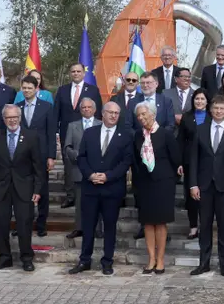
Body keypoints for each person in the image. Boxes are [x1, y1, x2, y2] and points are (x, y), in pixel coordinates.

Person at [0, 104, 45, 272]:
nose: (12, 120)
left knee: (24, 223)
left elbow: (38, 166)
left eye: (15, 117)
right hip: (1, 186)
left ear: (20, 118)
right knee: (1, 223)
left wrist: (37, 190)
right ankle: (4, 257)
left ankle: (27, 258)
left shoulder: (31, 136)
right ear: (4, 119)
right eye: (8, 117)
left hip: (24, 187)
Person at [72, 102, 132, 275]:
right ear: (103, 114)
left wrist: (108, 176)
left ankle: (107, 261)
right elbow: (82, 157)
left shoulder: (125, 135)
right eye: (110, 112)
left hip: (112, 189)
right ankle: (85, 260)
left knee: (110, 227)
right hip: (90, 188)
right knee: (88, 226)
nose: (113, 116)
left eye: (116, 113)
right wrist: (90, 175)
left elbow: (126, 162)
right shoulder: (90, 132)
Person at [188, 98, 224, 276]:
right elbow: (193, 159)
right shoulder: (201, 129)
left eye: (222, 108)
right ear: (210, 110)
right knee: (204, 226)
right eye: (216, 108)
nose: (219, 111)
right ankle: (204, 263)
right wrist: (193, 184)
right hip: (204, 186)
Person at [131, 101, 176, 275]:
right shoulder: (138, 135)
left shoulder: (165, 134)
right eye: (138, 115)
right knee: (148, 222)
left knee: (160, 222)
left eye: (144, 114)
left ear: (153, 114)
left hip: (163, 183)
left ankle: (161, 259)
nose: (141, 118)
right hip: (144, 183)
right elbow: (135, 159)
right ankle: (151, 259)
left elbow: (175, 158)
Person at [57, 63, 101, 209]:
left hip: (90, 132)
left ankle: (90, 193)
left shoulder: (93, 90)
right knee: (69, 165)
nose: (75, 73)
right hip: (68, 133)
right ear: (70, 73)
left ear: (84, 73)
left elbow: (98, 112)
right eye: (73, 71)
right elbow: (56, 112)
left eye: (78, 71)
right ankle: (70, 196)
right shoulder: (62, 90)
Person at [17, 75, 58, 237]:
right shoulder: (17, 107)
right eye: (24, 88)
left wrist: (51, 156)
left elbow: (51, 132)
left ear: (36, 89)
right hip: (21, 155)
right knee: (21, 190)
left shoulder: (46, 107)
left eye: (30, 88)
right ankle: (22, 224)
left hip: (41, 154)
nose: (27, 91)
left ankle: (41, 224)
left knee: (42, 190)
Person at [61, 98, 100, 241]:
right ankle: (79, 228)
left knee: (97, 201)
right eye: (84, 107)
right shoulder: (73, 126)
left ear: (94, 109)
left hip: (96, 169)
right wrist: (77, 155)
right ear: (80, 110)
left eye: (89, 107)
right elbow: (67, 147)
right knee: (79, 202)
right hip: (78, 168)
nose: (86, 109)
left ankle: (97, 228)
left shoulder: (101, 124)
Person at [176, 89, 210, 239]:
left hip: (208, 161)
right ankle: (193, 226)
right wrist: (179, 162)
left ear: (207, 101)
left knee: (206, 195)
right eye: (197, 99)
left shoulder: (212, 116)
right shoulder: (187, 117)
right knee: (191, 196)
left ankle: (205, 226)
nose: (199, 101)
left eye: (202, 99)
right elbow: (180, 140)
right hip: (190, 161)